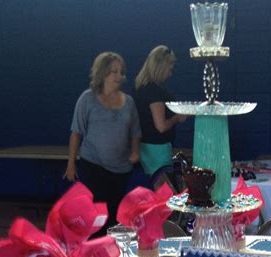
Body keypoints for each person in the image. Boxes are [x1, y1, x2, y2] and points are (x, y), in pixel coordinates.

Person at [64, 51, 141, 228]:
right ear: (103, 73)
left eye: (121, 72)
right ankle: (93, 251)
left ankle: (111, 251)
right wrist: (71, 164)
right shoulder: (87, 99)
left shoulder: (129, 102)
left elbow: (135, 132)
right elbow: (76, 132)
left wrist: (136, 151)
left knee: (114, 215)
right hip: (93, 165)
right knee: (97, 214)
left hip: (121, 169)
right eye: (114, 71)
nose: (119, 76)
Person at [134, 45, 187, 190]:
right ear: (160, 67)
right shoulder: (154, 91)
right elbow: (161, 126)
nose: (170, 73)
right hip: (157, 151)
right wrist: (178, 117)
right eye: (169, 69)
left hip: (145, 149)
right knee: (165, 198)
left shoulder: (140, 88)